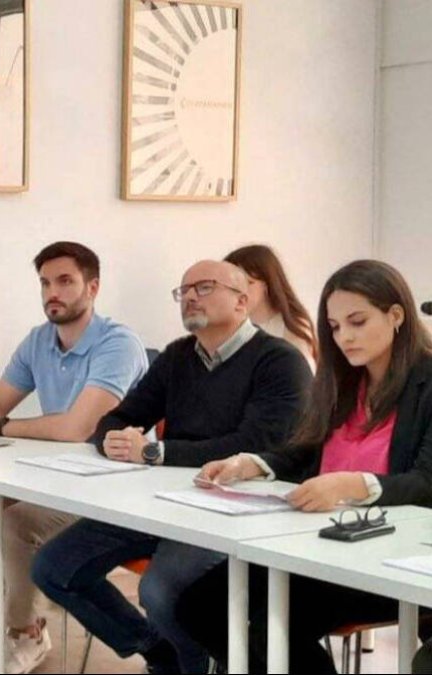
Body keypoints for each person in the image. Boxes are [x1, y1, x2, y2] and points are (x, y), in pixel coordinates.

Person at [30, 260, 312, 673]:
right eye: (184, 291)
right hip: (163, 502)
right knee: (53, 567)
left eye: (204, 287)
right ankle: (162, 653)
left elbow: (255, 445)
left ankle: (191, 665)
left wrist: (154, 453)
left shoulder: (279, 362)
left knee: (161, 591)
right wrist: (114, 437)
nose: (191, 297)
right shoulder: (178, 356)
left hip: (237, 510)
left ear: (242, 300)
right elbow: (120, 416)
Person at [178, 259, 432, 674]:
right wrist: (251, 464)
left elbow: (426, 483)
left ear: (396, 315)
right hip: (315, 544)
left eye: (357, 321)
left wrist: (354, 485)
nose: (344, 337)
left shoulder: (428, 382)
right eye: (334, 327)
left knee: (269, 631)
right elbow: (302, 453)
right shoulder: (342, 381)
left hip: (383, 555)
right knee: (197, 607)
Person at [0, 241, 149, 673]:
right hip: (46, 475)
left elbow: (78, 428)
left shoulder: (118, 344)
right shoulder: (39, 340)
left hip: (106, 484)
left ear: (93, 287)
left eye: (65, 281)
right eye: (45, 283)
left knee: (16, 522)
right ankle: (18, 624)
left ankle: (22, 634)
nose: (53, 292)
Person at [225, 244, 318, 369]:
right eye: (230, 286)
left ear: (267, 283)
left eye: (248, 283)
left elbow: (302, 378)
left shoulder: (291, 325)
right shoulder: (227, 326)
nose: (239, 292)